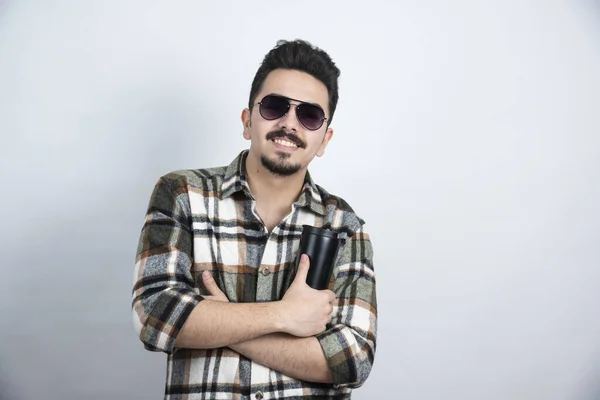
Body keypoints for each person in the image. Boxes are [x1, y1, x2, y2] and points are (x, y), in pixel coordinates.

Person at [132, 39, 377, 399]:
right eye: (275, 106)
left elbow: (352, 360)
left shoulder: (344, 226)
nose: (289, 123)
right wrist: (283, 316)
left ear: (324, 140)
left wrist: (223, 320)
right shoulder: (181, 194)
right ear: (248, 121)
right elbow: (154, 316)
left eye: (308, 115)